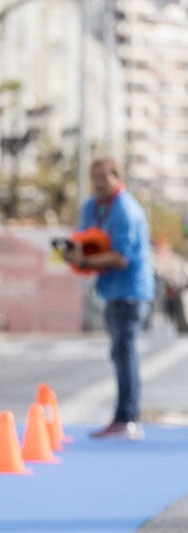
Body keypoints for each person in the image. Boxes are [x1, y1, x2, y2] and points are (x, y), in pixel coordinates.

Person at [66, 157, 154, 440]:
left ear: (117, 177)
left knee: (124, 351)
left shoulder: (126, 211)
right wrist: (72, 253)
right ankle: (122, 417)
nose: (99, 184)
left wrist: (86, 259)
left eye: (104, 177)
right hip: (110, 290)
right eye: (95, 178)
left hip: (131, 291)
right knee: (118, 353)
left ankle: (127, 419)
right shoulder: (92, 206)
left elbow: (121, 257)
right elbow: (83, 240)